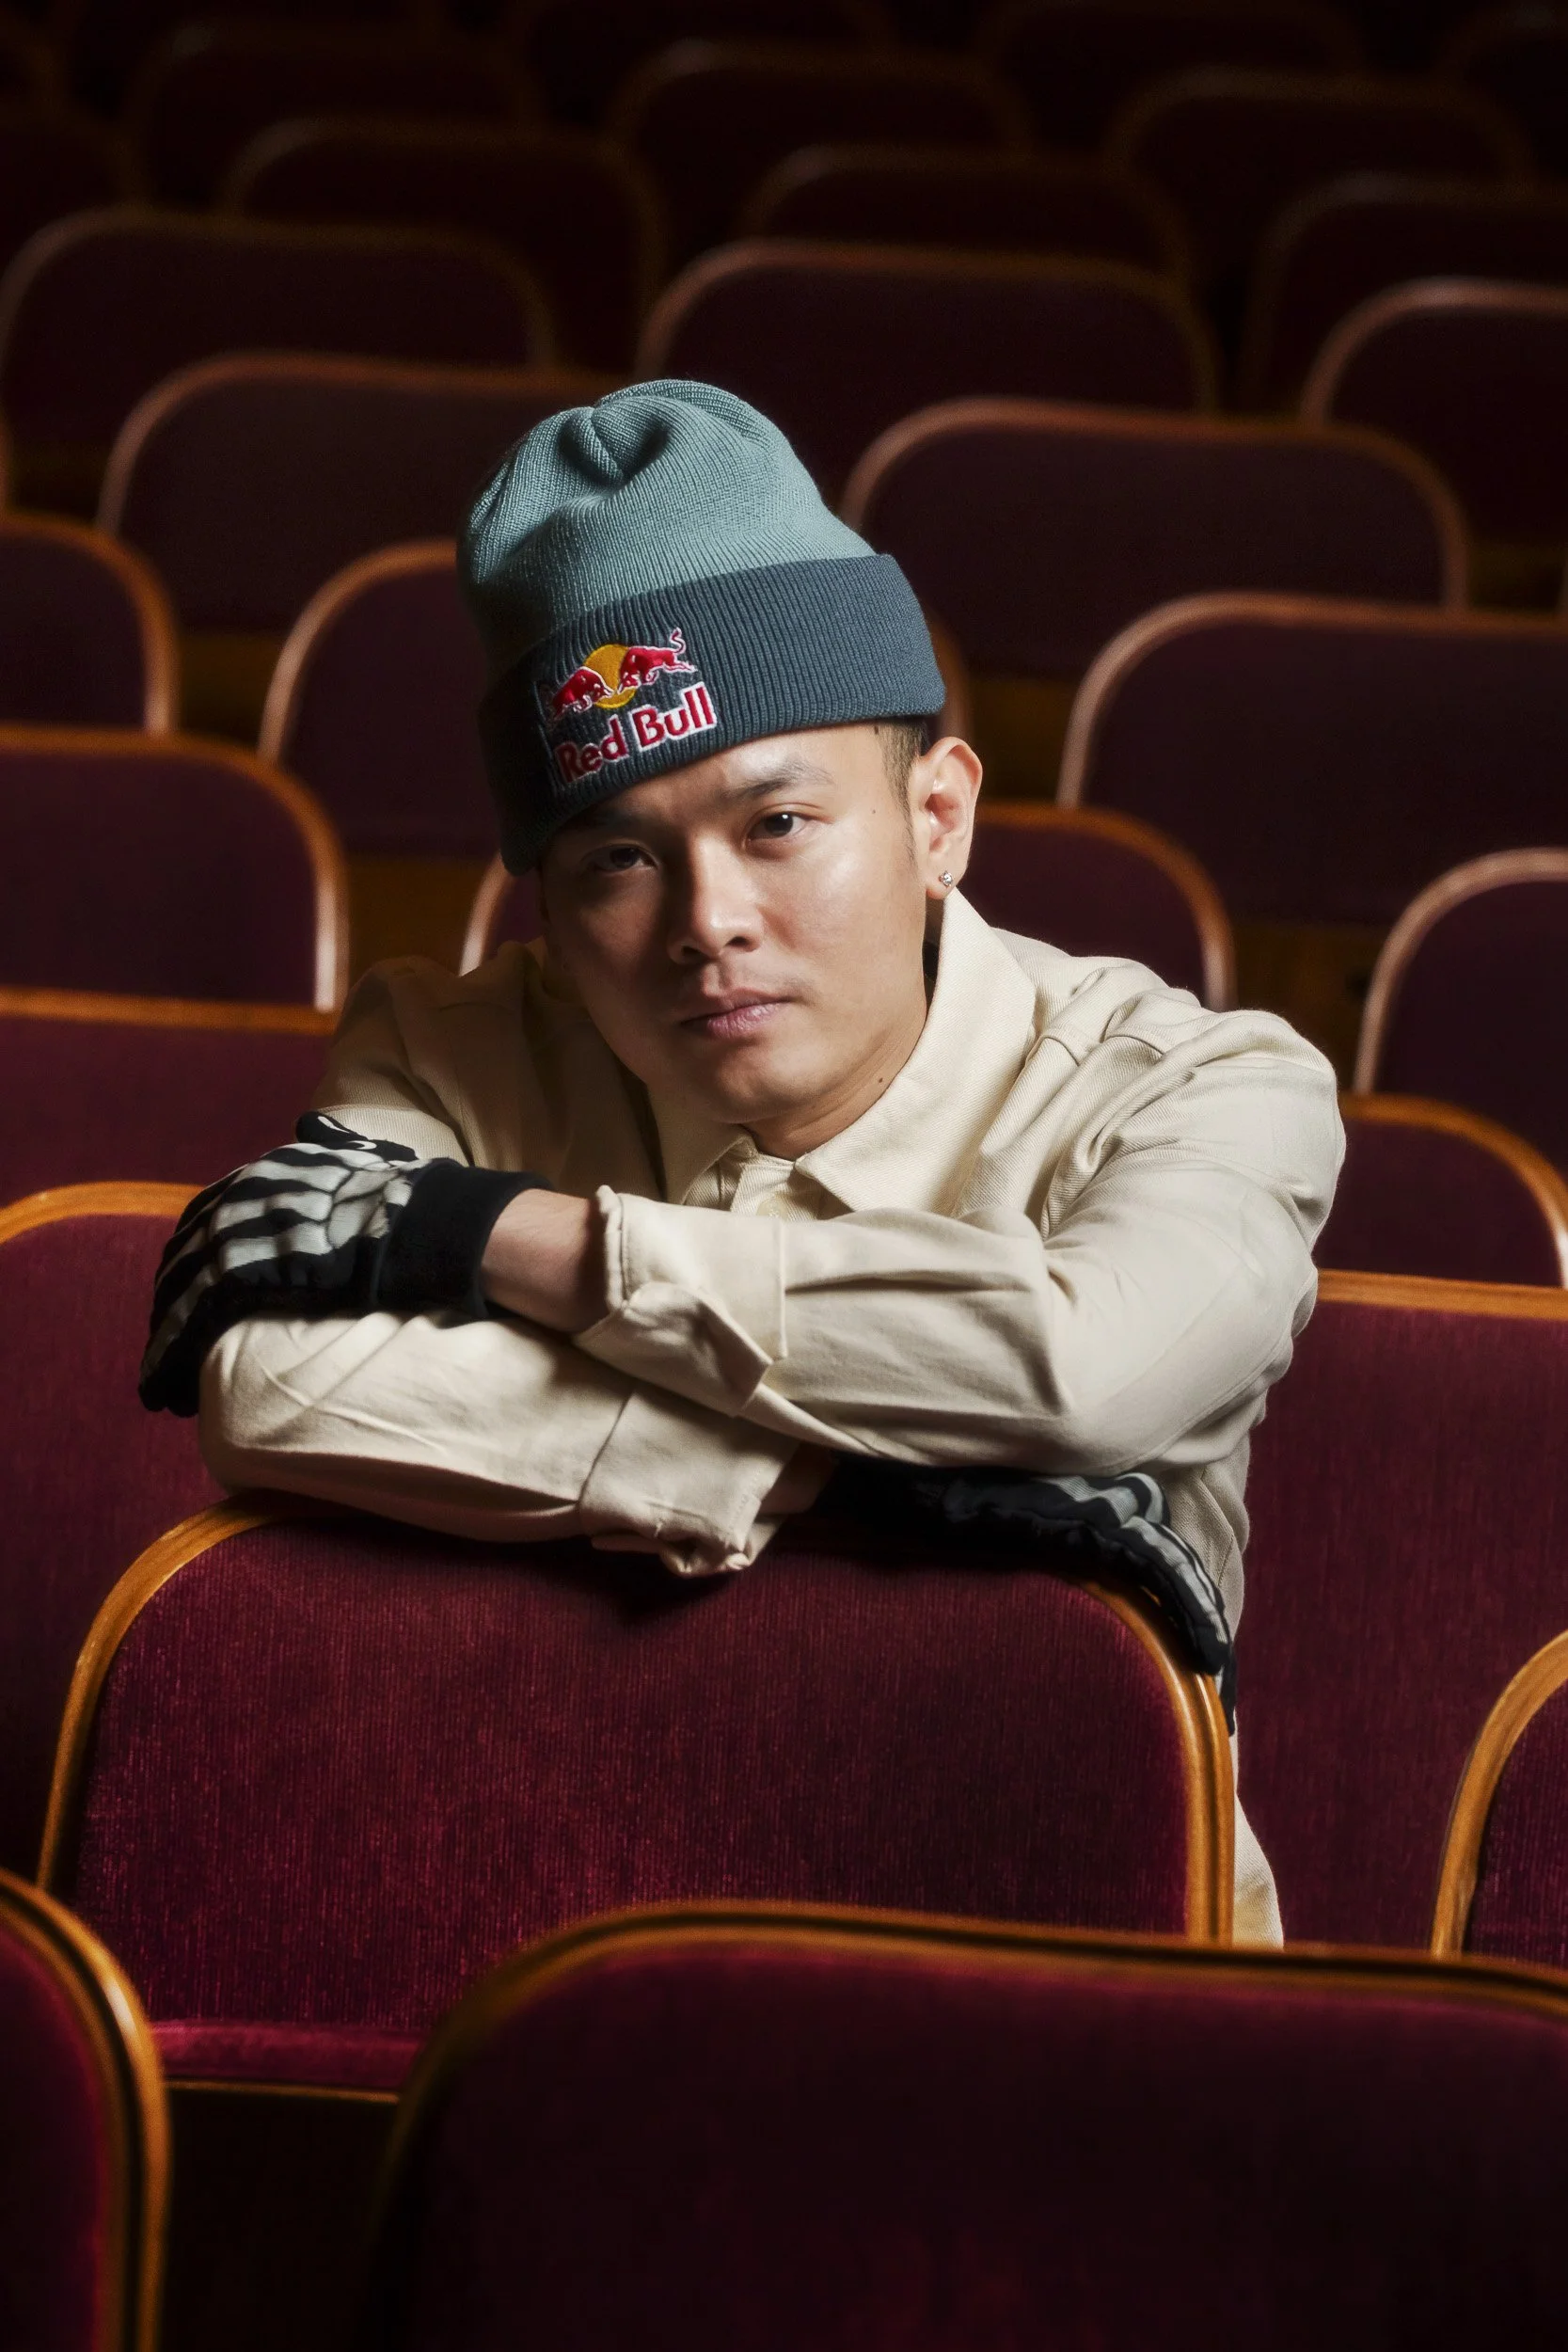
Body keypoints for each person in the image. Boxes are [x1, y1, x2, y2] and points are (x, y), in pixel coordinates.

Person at [140, 381, 1342, 1942]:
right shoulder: (446, 1046)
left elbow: (1080, 1373)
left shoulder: (1207, 1082)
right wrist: (905, 1485)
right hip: (552, 1921)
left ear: (937, 816)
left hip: (1076, 1944)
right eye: (619, 858)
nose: (706, 921)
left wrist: (523, 1244)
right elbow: (267, 1390)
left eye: (776, 824)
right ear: (550, 906)